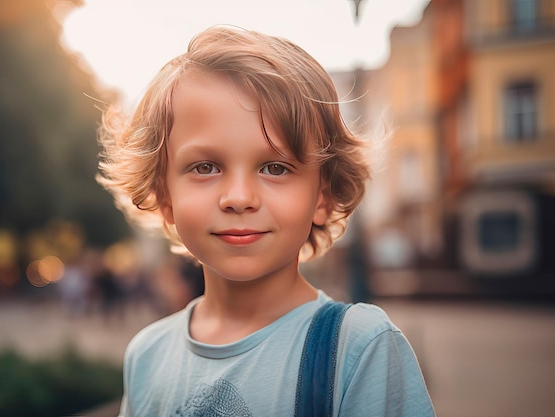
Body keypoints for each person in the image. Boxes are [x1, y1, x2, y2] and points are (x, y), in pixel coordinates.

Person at [97, 26, 435, 416]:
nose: (239, 197)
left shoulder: (358, 349)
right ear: (165, 195)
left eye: (275, 167)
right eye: (205, 166)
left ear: (322, 197)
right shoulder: (147, 355)